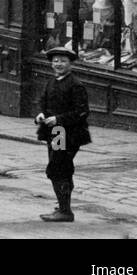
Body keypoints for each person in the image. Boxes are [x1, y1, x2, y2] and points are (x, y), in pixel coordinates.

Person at [34, 45, 91, 222]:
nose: (58, 64)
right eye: (55, 61)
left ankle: (65, 211)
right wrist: (41, 114)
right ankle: (63, 205)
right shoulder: (52, 82)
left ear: (70, 64)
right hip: (55, 132)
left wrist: (58, 120)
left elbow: (82, 111)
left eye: (63, 61)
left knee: (57, 168)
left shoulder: (75, 85)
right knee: (60, 166)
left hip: (65, 133)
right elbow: (43, 102)